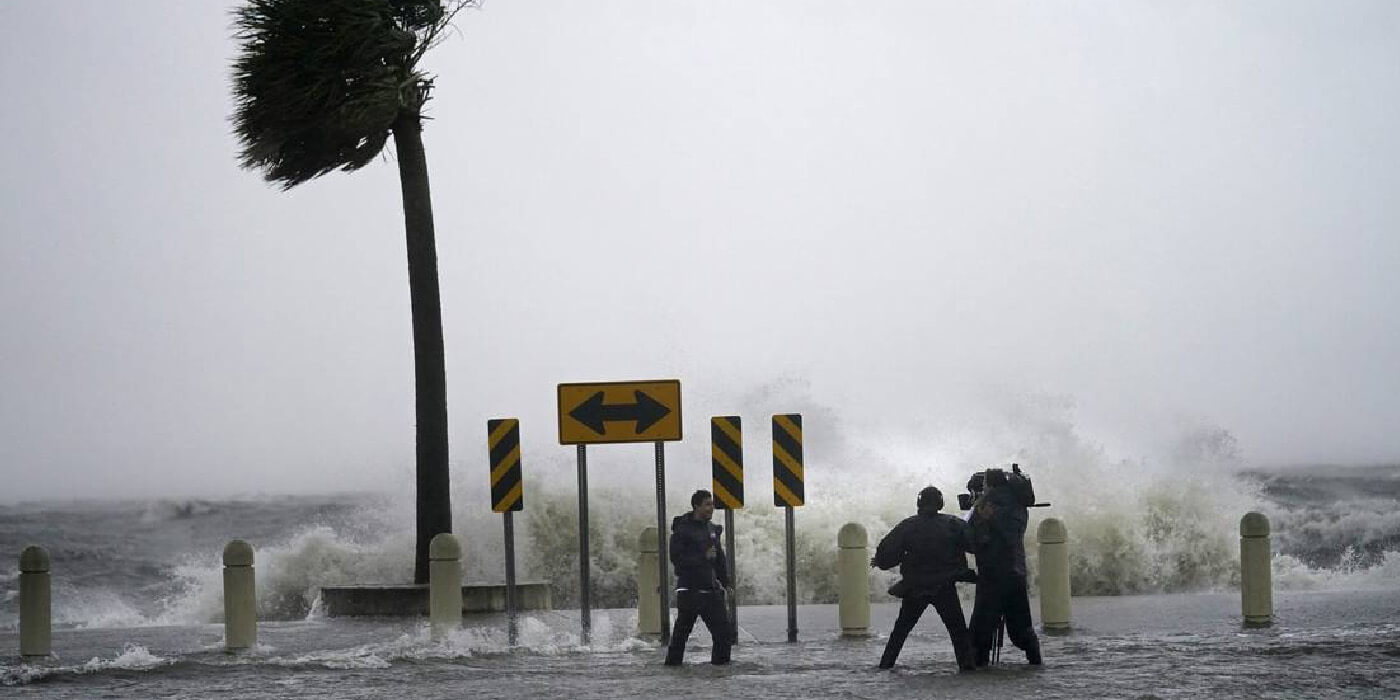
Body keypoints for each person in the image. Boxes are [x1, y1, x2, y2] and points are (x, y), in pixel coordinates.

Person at [871, 486, 977, 671]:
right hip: (944, 586)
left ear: (919, 503)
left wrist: (880, 562)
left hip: (915, 586)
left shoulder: (908, 525)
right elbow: (975, 545)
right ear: (940, 503)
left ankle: (885, 666)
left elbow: (886, 553)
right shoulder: (953, 524)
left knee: (900, 632)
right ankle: (967, 668)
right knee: (958, 632)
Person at [967, 464, 1042, 666]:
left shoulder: (987, 506)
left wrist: (979, 518)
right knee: (1021, 628)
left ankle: (980, 666)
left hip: (993, 575)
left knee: (980, 631)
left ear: (988, 485)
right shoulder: (1019, 506)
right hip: (1016, 573)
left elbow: (975, 541)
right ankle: (1035, 660)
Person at [664, 489, 732, 666]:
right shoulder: (682, 529)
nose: (711, 508)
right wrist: (703, 556)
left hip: (710, 590)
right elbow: (676, 559)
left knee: (724, 634)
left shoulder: (712, 529)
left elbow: (719, 560)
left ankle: (720, 670)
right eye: (707, 504)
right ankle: (672, 669)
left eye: (712, 504)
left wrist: (727, 583)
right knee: (681, 636)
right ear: (696, 506)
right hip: (690, 591)